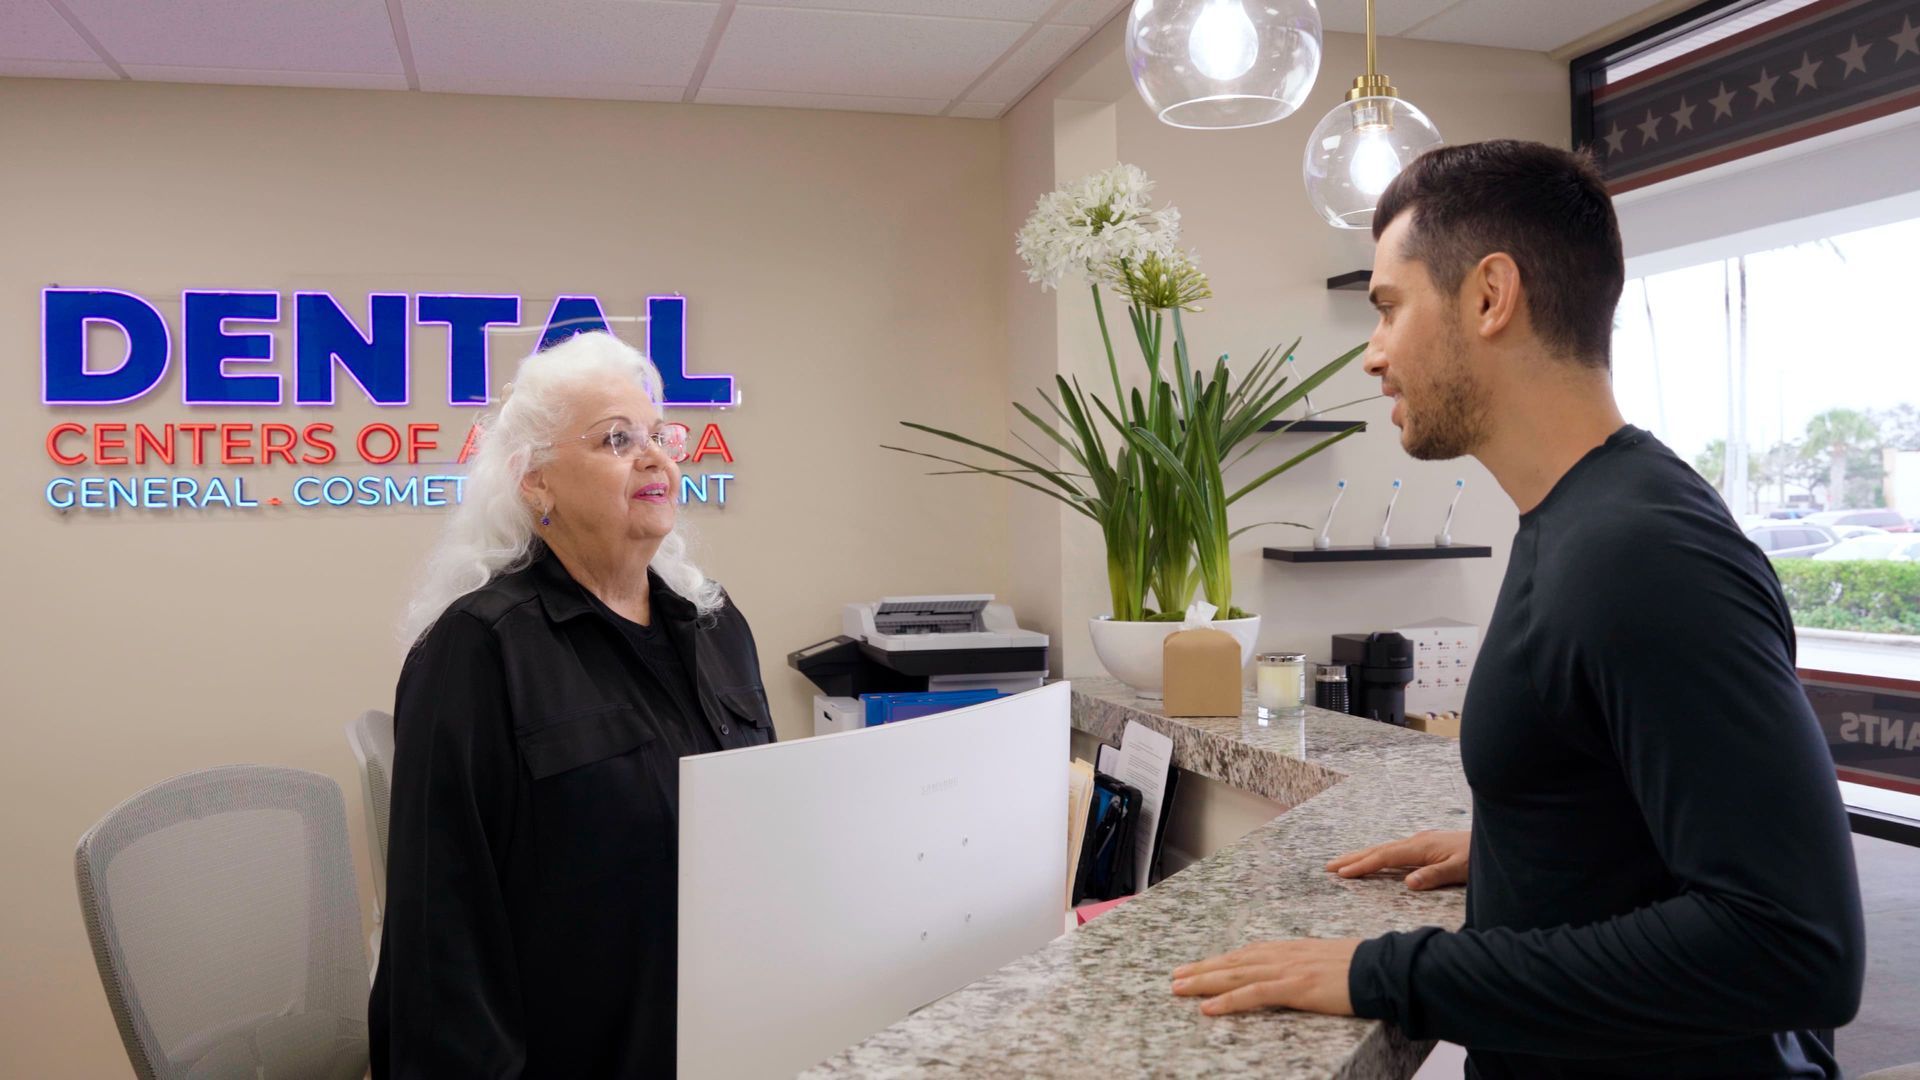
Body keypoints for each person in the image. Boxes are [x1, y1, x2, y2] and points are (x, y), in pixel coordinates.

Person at [1171, 141, 1865, 1077]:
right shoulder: (1576, 518)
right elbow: (1643, 791)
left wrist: (1390, 971)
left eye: (1388, 308)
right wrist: (1531, 850)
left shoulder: (1643, 554)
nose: (1374, 353)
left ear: (1490, 297)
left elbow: (1793, 945)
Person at [369, 331, 776, 1077]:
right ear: (536, 482)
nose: (654, 456)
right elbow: (441, 944)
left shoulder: (718, 628)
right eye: (617, 439)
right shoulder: (477, 650)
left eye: (659, 435)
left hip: (727, 1039)